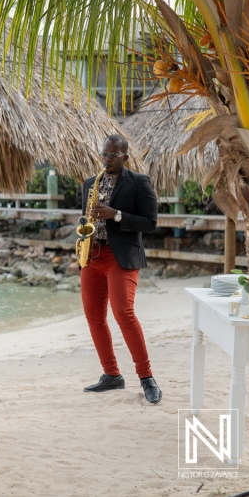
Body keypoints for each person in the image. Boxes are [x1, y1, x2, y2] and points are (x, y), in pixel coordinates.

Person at [80, 134, 162, 404]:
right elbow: (86, 219)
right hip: (92, 255)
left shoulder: (139, 182)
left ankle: (146, 376)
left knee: (124, 314)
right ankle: (111, 374)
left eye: (113, 155)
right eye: (104, 154)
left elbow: (150, 223)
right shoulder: (90, 184)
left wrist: (115, 214)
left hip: (121, 256)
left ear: (125, 156)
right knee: (94, 318)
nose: (107, 159)